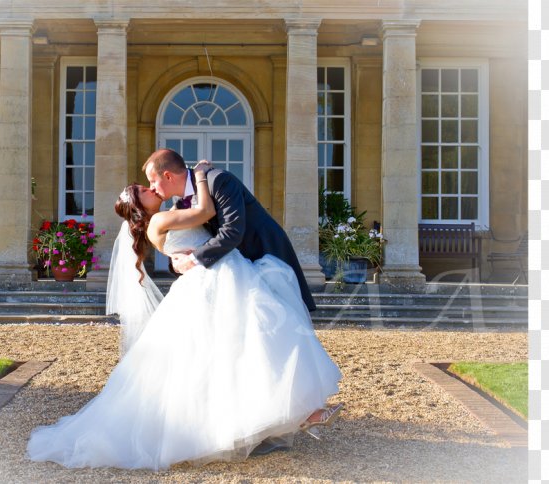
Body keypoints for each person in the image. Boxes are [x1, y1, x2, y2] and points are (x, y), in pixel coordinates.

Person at [27, 162, 342, 471]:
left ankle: (273, 415)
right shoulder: (159, 219)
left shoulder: (167, 213)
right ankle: (282, 415)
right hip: (216, 278)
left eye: (148, 184)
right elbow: (205, 213)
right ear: (139, 206)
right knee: (259, 337)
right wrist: (202, 174)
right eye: (142, 190)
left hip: (222, 273)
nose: (150, 188)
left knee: (240, 348)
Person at [144, 148, 317, 312]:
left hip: (262, 253)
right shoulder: (181, 201)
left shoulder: (217, 180)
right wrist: (177, 260)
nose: (151, 187)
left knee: (281, 319)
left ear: (167, 176)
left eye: (152, 181)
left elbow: (232, 231)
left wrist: (193, 259)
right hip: (234, 269)